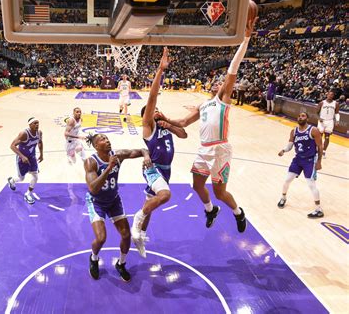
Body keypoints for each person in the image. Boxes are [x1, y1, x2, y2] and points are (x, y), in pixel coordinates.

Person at [156, 15, 259, 233]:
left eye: (221, 83)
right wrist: (166, 120)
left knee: (220, 192)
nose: (219, 83)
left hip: (220, 148)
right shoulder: (203, 105)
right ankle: (210, 209)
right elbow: (183, 122)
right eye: (216, 82)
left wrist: (245, 39)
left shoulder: (223, 101)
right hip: (204, 148)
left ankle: (238, 213)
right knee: (197, 185)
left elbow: (232, 68)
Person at [131, 47, 188, 258]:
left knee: (150, 206)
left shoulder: (163, 125)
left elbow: (184, 135)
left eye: (156, 109)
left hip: (166, 171)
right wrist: (160, 71)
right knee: (165, 195)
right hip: (153, 169)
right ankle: (136, 220)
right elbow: (152, 97)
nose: (156, 110)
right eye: (152, 110)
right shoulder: (149, 127)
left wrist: (170, 123)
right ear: (146, 115)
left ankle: (139, 238)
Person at [84, 133, 151, 281]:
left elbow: (140, 150)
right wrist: (109, 168)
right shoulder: (91, 162)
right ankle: (94, 258)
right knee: (101, 238)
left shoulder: (118, 155)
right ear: (96, 146)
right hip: (97, 202)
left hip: (114, 200)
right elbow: (93, 188)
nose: (107, 140)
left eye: (107, 138)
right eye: (102, 139)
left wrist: (146, 156)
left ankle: (121, 263)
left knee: (126, 235)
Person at [277, 112, 324, 218]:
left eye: (303, 116)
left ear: (307, 118)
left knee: (311, 184)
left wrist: (319, 162)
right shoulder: (294, 131)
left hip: (310, 161)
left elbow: (320, 147)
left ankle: (318, 209)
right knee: (287, 180)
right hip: (298, 159)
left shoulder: (314, 130)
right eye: (299, 116)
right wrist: (284, 150)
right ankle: (283, 198)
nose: (300, 117)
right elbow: (290, 145)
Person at [7, 117, 44, 204]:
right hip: (21, 159)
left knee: (35, 176)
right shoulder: (24, 134)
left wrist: (41, 154)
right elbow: (12, 146)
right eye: (35, 123)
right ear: (30, 125)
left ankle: (28, 194)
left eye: (38, 123)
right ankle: (12, 181)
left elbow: (40, 142)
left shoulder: (39, 133)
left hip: (32, 157)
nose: (37, 125)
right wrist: (22, 156)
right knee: (21, 178)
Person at [317, 90, 339, 158]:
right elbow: (317, 112)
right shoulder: (321, 103)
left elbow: (337, 113)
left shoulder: (336, 103)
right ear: (327, 95)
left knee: (327, 137)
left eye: (332, 95)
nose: (330, 96)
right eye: (329, 94)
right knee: (319, 136)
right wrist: (319, 118)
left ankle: (323, 152)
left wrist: (337, 120)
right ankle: (318, 150)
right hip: (322, 121)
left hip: (330, 121)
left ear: (333, 96)